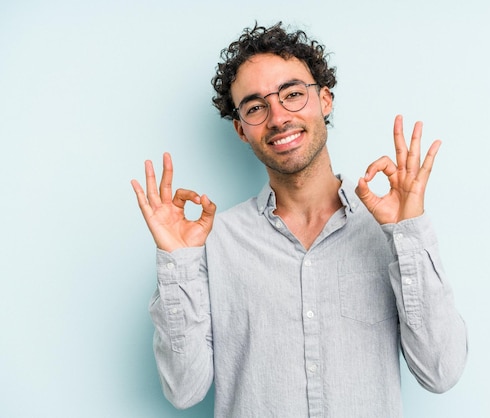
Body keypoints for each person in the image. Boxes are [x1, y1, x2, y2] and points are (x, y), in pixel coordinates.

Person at [131, 22, 467, 417]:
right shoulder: (214, 242)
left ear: (325, 100)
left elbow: (441, 372)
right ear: (241, 130)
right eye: (256, 107)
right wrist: (179, 263)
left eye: (292, 94)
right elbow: (184, 390)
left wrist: (407, 234)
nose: (278, 117)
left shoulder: (387, 231)